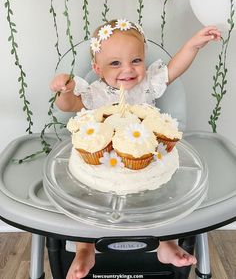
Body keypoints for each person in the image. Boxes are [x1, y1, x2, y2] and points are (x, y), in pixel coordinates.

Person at [50, 18, 221, 279]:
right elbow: (68, 105)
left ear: (144, 59)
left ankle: (167, 244)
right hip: (104, 165)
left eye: (136, 61)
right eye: (115, 63)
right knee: (84, 203)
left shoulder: (147, 85)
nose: (127, 70)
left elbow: (174, 68)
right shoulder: (94, 93)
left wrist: (193, 45)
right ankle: (85, 249)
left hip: (144, 161)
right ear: (97, 68)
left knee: (162, 200)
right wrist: (64, 89)